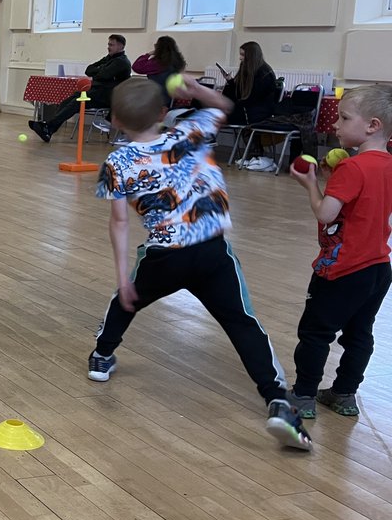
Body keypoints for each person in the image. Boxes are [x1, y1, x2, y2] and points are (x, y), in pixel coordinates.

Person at [88, 75, 312, 450]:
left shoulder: (117, 161)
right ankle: (277, 399)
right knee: (243, 323)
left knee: (126, 300)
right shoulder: (190, 130)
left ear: (115, 119)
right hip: (212, 252)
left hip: (164, 254)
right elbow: (225, 107)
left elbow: (119, 222)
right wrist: (196, 89)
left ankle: (102, 355)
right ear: (164, 112)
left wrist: (122, 275)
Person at [286, 86, 392, 420]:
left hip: (342, 268)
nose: (335, 124)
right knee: (360, 333)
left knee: (316, 332)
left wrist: (311, 184)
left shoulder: (352, 169)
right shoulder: (386, 165)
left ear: (372, 126)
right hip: (379, 266)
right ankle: (344, 394)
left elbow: (326, 214)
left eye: (344, 118)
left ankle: (303, 395)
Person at [28, 34, 130, 143]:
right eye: (108, 44)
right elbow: (89, 70)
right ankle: (49, 128)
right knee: (68, 100)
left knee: (77, 102)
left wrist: (99, 69)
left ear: (120, 46)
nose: (108, 47)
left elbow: (103, 75)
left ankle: (48, 127)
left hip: (107, 97)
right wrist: (101, 69)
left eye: (111, 45)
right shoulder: (108, 58)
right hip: (95, 92)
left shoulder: (121, 62)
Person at [222, 42, 279, 126]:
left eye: (243, 55)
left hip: (256, 113)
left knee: (216, 115)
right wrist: (230, 81)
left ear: (251, 56)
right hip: (249, 109)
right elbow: (240, 93)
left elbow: (252, 98)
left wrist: (232, 106)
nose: (240, 58)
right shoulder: (248, 69)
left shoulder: (264, 74)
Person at [131, 35, 187, 106]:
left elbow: (136, 67)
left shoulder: (156, 63)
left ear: (158, 48)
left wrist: (148, 54)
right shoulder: (178, 62)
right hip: (172, 98)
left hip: (156, 98)